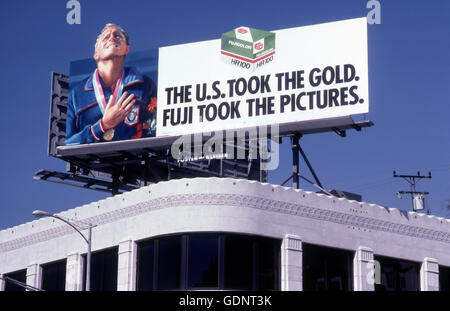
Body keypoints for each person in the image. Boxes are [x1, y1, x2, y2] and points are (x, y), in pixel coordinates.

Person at [66, 23, 157, 145]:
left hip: (133, 161)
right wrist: (103, 125)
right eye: (106, 37)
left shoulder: (145, 84)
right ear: (96, 54)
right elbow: (65, 144)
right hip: (93, 163)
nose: (112, 37)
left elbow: (154, 130)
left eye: (118, 36)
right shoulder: (75, 94)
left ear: (127, 49)